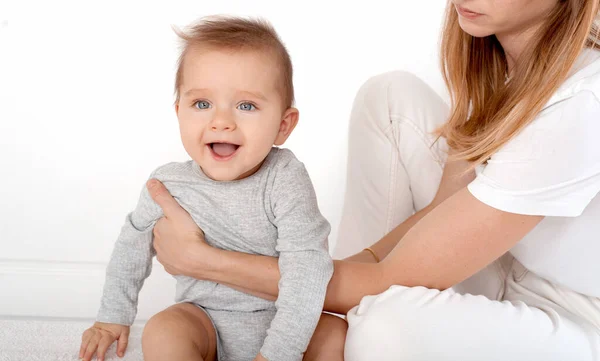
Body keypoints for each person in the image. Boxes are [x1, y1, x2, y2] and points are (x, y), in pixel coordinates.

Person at [145, 1, 600, 360]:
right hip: (505, 261)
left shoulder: (582, 106)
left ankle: (340, 326)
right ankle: (331, 317)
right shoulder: (503, 61)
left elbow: (394, 276)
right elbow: (441, 212)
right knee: (389, 98)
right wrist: (330, 279)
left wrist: (204, 261)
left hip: (573, 316)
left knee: (382, 330)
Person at [78, 16, 334, 361]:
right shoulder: (168, 185)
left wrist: (278, 353)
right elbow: (131, 245)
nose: (221, 120)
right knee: (164, 329)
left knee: (336, 333)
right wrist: (112, 317)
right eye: (202, 104)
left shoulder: (284, 178)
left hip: (284, 321)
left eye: (246, 106)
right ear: (179, 111)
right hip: (205, 320)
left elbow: (308, 267)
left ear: (283, 126)